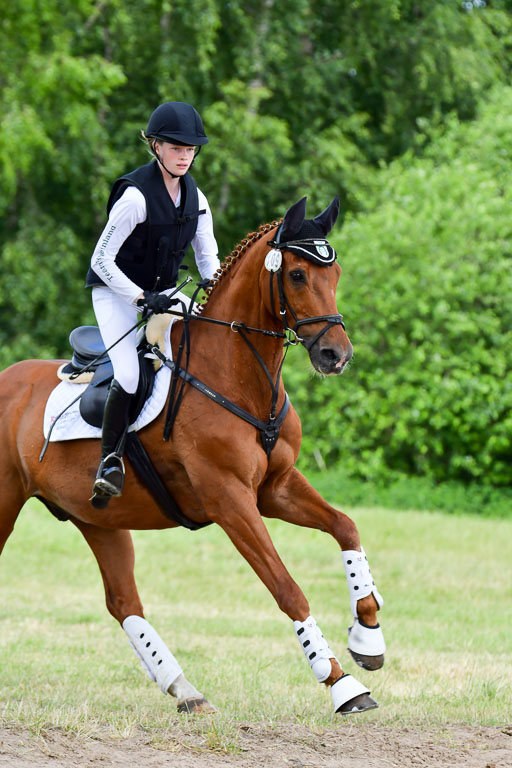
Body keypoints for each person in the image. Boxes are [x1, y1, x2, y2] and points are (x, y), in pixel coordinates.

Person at [85, 101, 220, 504]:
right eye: (176, 148)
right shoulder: (135, 198)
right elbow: (100, 260)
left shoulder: (197, 199)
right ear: (156, 146)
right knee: (127, 374)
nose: (184, 156)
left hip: (163, 294)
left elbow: (207, 257)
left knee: (207, 342)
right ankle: (110, 461)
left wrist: (215, 289)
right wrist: (141, 297)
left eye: (190, 149)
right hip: (117, 294)